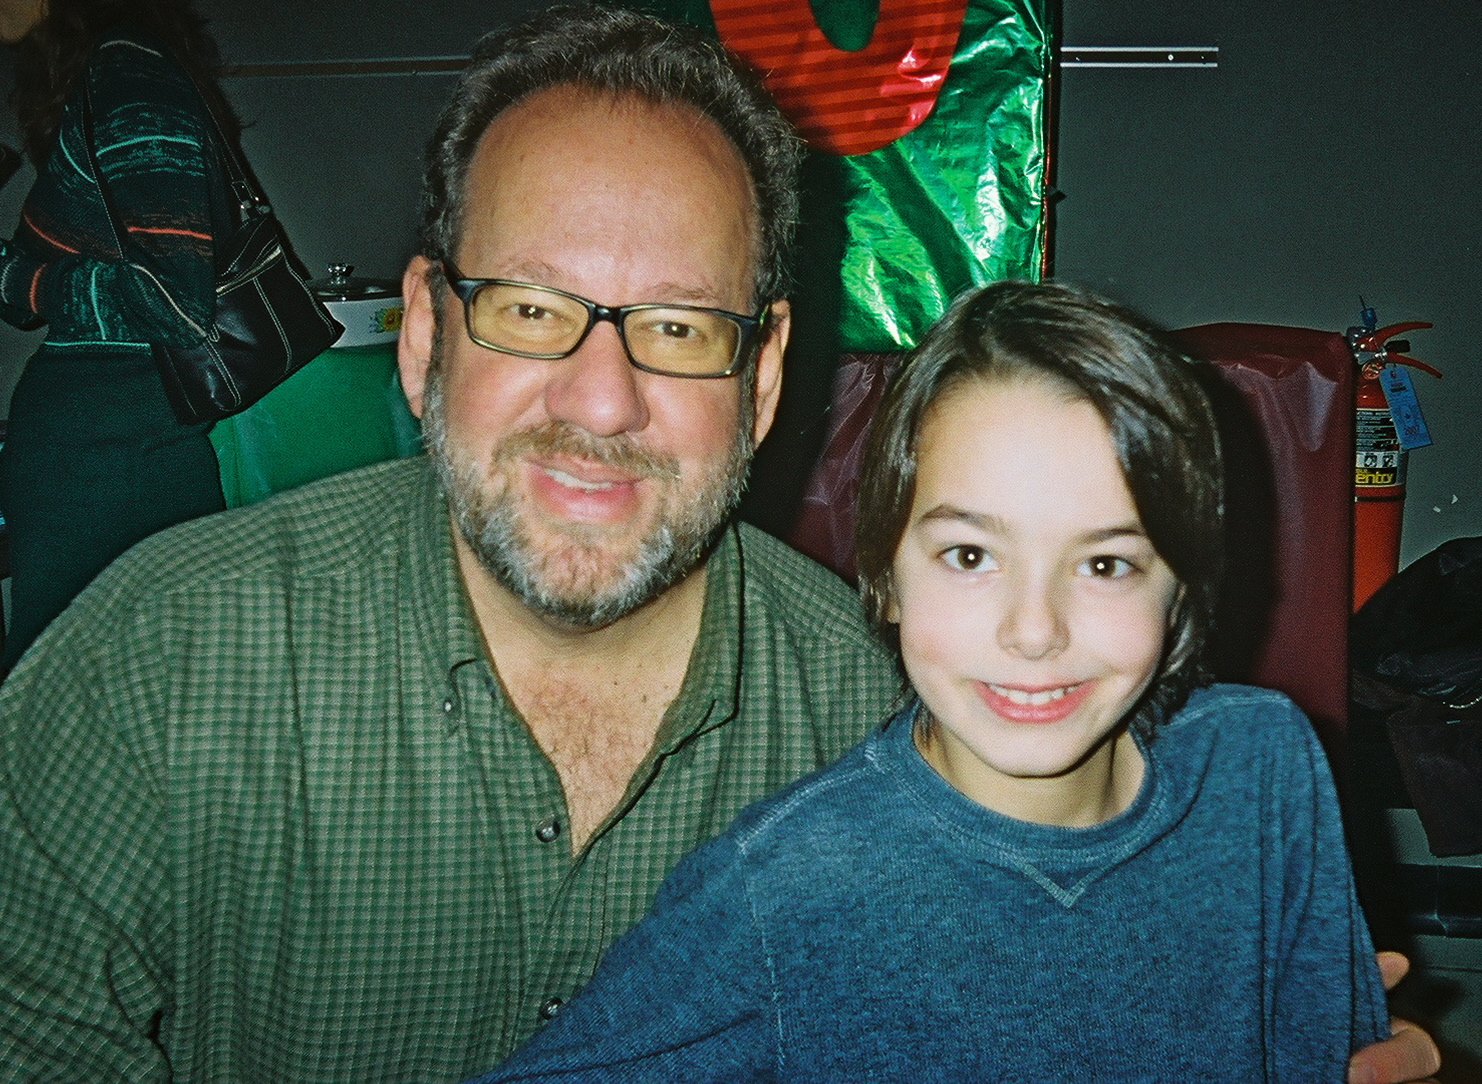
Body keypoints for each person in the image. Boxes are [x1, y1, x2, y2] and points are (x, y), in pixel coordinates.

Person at [0, 6, 1440, 1082]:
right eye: (529, 308)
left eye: (679, 328)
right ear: (429, 333)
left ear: (760, 383)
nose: (602, 398)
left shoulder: (906, 723)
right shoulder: (153, 671)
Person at [458, 280, 1391, 1082]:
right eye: (970, 553)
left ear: (1181, 584)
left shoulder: (1265, 768)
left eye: (1106, 564)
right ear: (886, 573)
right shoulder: (785, 889)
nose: (1035, 632)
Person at [0, 0, 237, 669]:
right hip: (115, 441)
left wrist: (18, 277)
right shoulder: (123, 73)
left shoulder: (129, 75)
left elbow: (173, 303)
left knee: (59, 694)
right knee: (137, 689)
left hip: (108, 451)